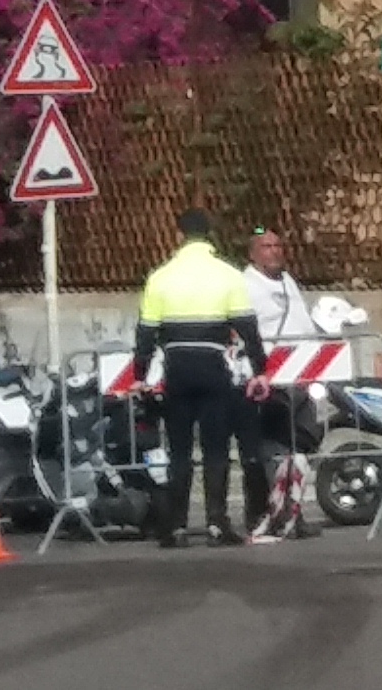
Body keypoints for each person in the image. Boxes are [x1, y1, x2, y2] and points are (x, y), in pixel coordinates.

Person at [133, 208, 271, 548]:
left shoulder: (160, 277)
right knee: (216, 448)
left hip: (177, 368)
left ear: (179, 235)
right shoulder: (229, 276)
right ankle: (216, 522)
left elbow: (146, 334)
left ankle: (176, 526)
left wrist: (139, 375)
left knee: (179, 450)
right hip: (213, 367)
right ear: (209, 234)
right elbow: (249, 331)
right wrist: (261, 370)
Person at [240, 229, 310, 540]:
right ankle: (268, 512)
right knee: (270, 451)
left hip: (300, 378)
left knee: (297, 450)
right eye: (266, 247)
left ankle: (293, 513)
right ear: (252, 254)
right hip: (267, 382)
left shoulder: (288, 281)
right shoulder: (246, 286)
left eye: (278, 245)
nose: (274, 252)